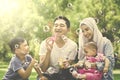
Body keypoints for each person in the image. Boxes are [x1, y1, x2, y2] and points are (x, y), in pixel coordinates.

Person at [38, 16, 77, 80]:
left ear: (68, 29)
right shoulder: (45, 43)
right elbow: (43, 69)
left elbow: (69, 66)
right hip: (48, 74)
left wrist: (66, 64)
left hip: (64, 74)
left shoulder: (73, 45)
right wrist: (48, 51)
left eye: (62, 25)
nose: (58, 28)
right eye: (56, 25)